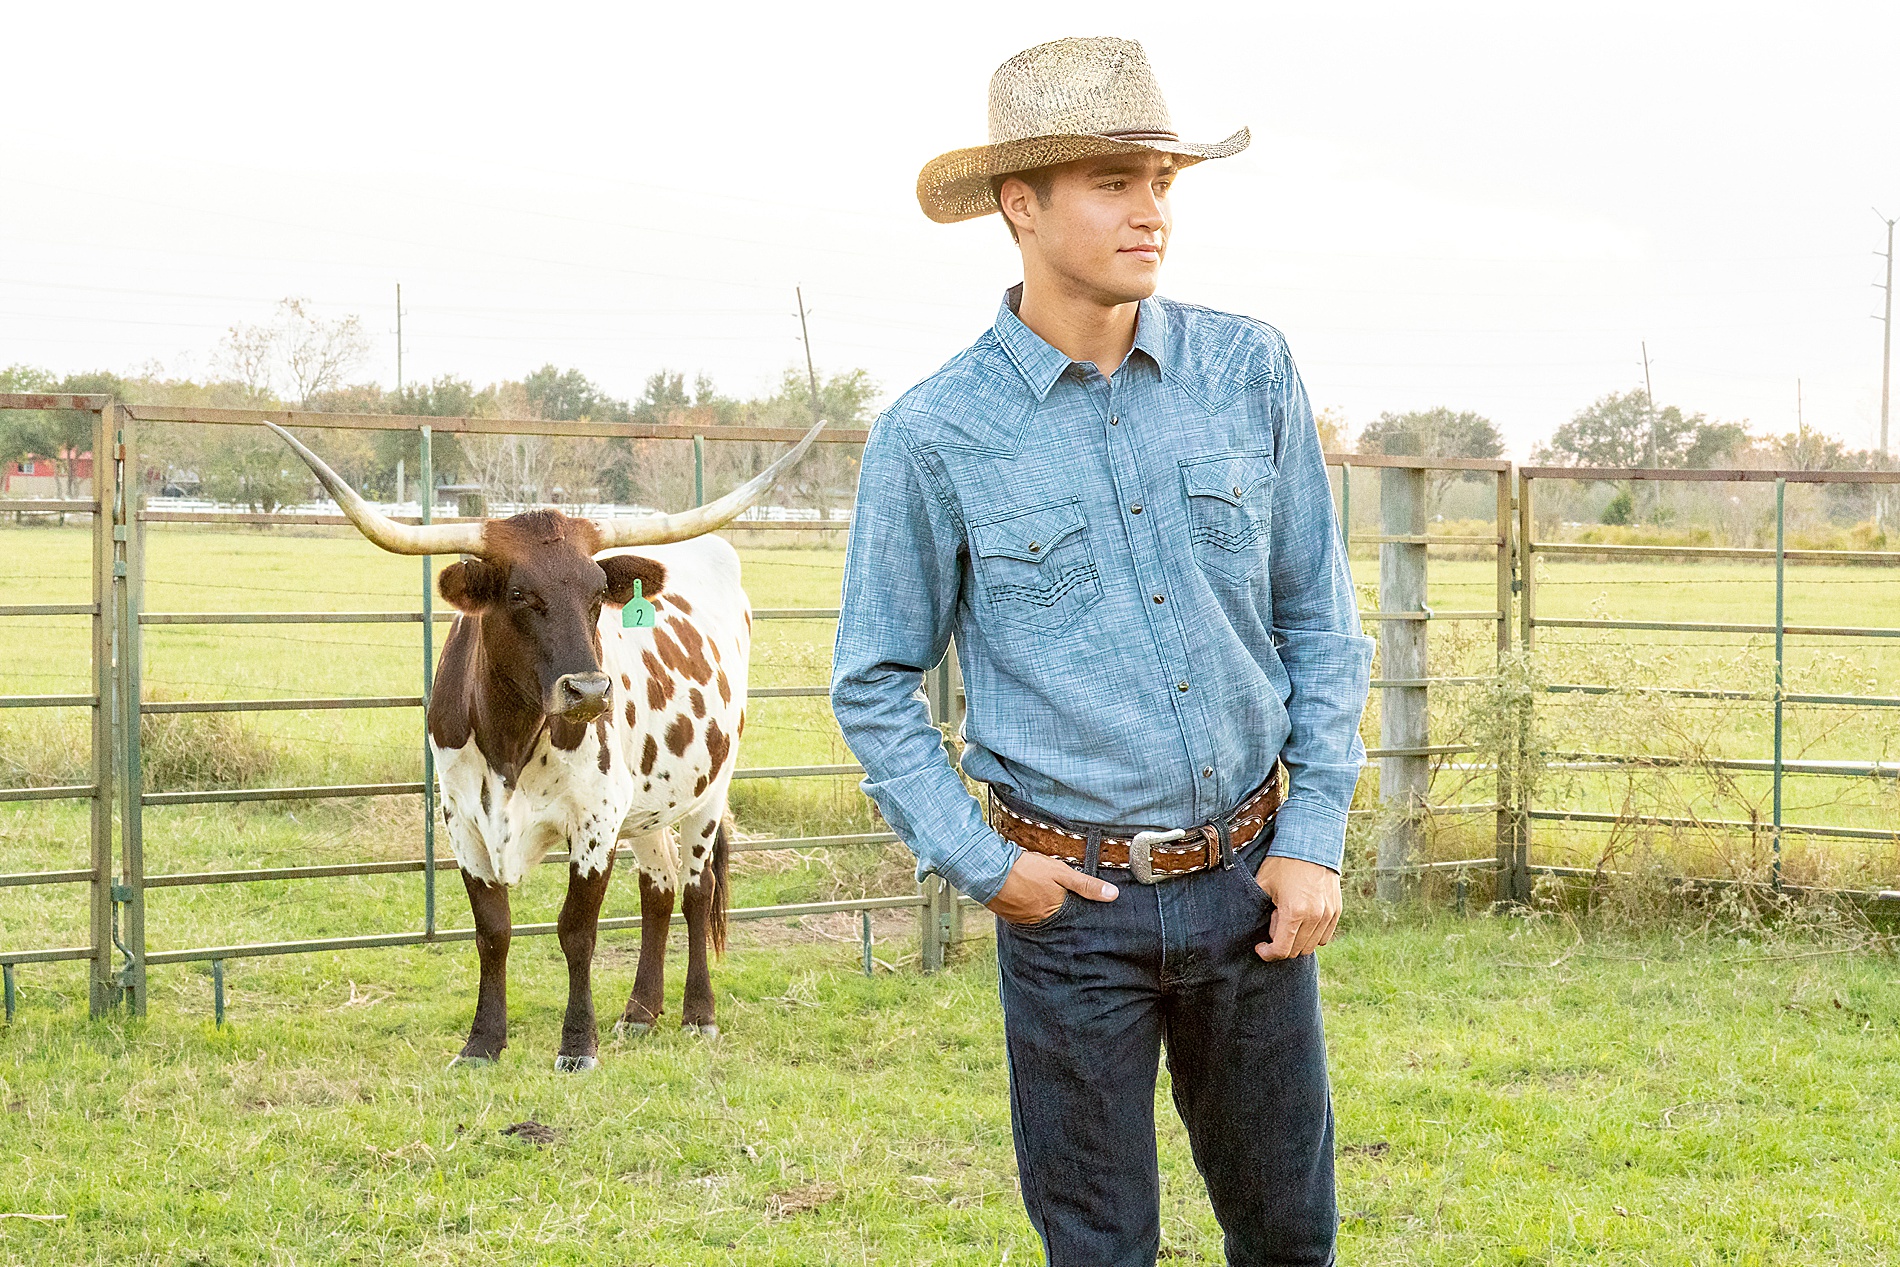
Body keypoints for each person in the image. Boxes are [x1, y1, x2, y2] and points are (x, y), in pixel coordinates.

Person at [829, 36, 1373, 1267]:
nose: (1151, 211)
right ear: (1020, 206)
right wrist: (980, 861)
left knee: (1290, 1237)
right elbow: (872, 680)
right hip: (1069, 907)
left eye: (1164, 181)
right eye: (1113, 182)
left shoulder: (1249, 371)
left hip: (1251, 886)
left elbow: (1318, 621)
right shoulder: (935, 435)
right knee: (1098, 1247)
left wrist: (1312, 834)